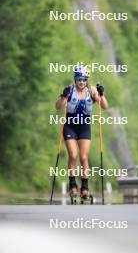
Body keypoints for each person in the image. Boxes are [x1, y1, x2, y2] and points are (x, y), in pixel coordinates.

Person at [55, 66, 108, 198]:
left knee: (84, 157)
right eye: (79, 79)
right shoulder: (70, 89)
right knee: (73, 155)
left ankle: (84, 187)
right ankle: (72, 185)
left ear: (87, 80)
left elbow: (104, 106)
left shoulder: (91, 90)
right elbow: (57, 106)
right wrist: (63, 95)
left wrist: (102, 94)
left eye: (84, 79)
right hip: (70, 126)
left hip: (84, 127)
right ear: (75, 79)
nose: (81, 82)